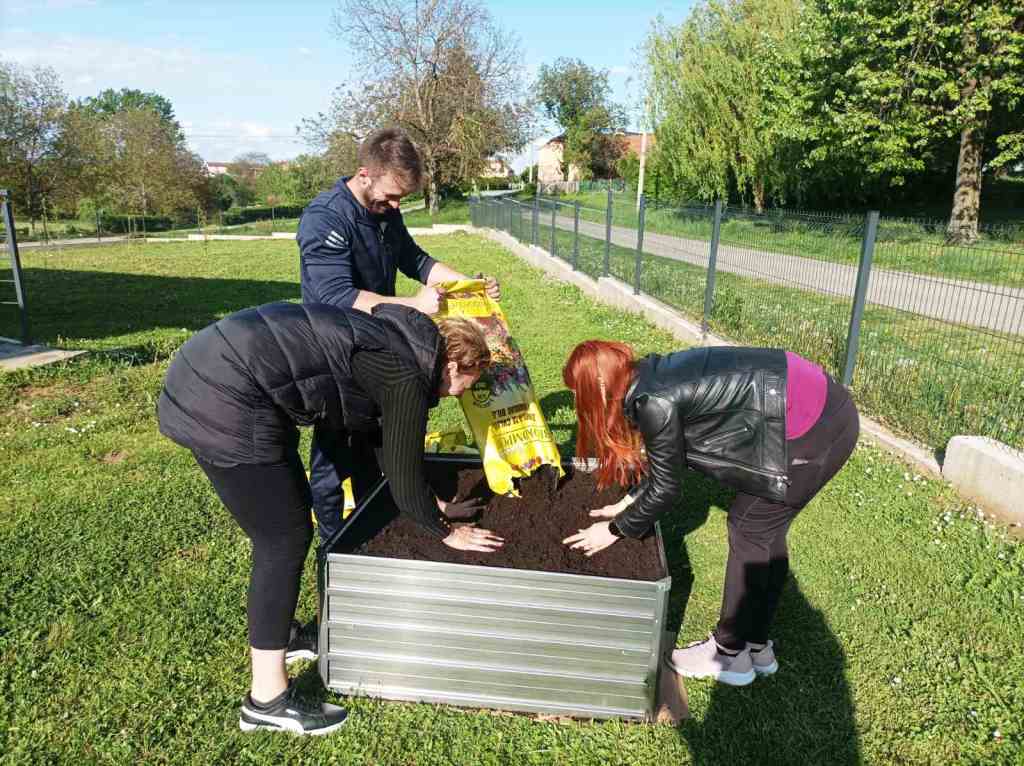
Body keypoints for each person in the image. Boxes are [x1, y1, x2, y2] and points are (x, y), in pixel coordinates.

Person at [157, 301, 503, 735]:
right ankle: (266, 700)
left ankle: (285, 636)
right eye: (468, 383)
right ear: (452, 366)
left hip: (214, 368)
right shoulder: (405, 377)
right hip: (223, 395)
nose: (462, 394)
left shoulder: (395, 344)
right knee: (282, 539)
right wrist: (446, 531)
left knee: (286, 519)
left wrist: (433, 504)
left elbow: (387, 447)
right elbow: (401, 477)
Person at [561, 342, 859, 686]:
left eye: (578, 392)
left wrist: (613, 530)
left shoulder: (653, 402)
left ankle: (728, 655)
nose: (578, 401)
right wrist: (626, 502)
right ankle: (756, 645)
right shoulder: (650, 378)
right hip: (827, 409)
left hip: (813, 427)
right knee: (766, 532)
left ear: (599, 385)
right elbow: (669, 460)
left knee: (749, 527)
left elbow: (667, 489)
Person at [297, 126, 501, 548]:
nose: (394, 206)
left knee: (378, 437)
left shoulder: (387, 213)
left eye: (401, 199)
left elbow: (415, 260)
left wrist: (470, 287)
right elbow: (334, 296)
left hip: (377, 345)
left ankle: (381, 516)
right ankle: (335, 544)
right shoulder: (326, 218)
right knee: (334, 453)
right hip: (334, 352)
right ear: (364, 175)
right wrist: (413, 304)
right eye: (390, 196)